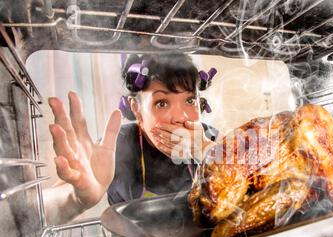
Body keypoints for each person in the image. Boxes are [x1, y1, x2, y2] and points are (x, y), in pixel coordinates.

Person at [43, 52, 219, 225]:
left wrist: (207, 152)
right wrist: (76, 199)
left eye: (190, 101)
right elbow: (43, 210)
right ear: (136, 109)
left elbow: (242, 199)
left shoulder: (210, 139)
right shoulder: (116, 145)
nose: (180, 117)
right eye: (162, 103)